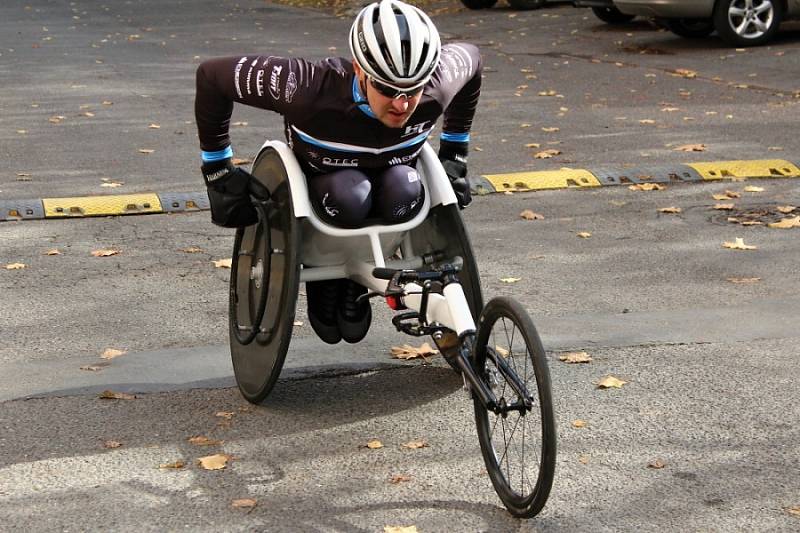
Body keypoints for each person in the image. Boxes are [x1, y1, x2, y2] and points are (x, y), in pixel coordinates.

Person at [195, 0, 482, 346]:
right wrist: (217, 169)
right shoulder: (305, 88)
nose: (402, 104)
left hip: (395, 179)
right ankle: (330, 278)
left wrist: (455, 152)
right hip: (328, 187)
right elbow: (211, 77)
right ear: (360, 71)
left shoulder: (438, 83)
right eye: (388, 89)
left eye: (413, 91)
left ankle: (356, 281)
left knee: (404, 190)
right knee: (351, 193)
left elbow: (473, 59)